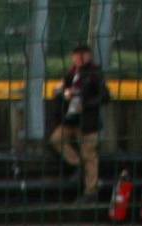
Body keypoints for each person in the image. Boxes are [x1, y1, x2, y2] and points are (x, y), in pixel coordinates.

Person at [50, 43, 111, 202]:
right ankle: (78, 165)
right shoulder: (70, 74)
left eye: (83, 54)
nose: (80, 57)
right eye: (77, 54)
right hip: (71, 119)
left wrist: (86, 105)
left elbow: (105, 96)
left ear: (89, 55)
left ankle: (90, 191)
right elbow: (56, 92)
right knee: (57, 139)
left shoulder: (95, 73)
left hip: (88, 122)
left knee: (89, 154)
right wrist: (65, 94)